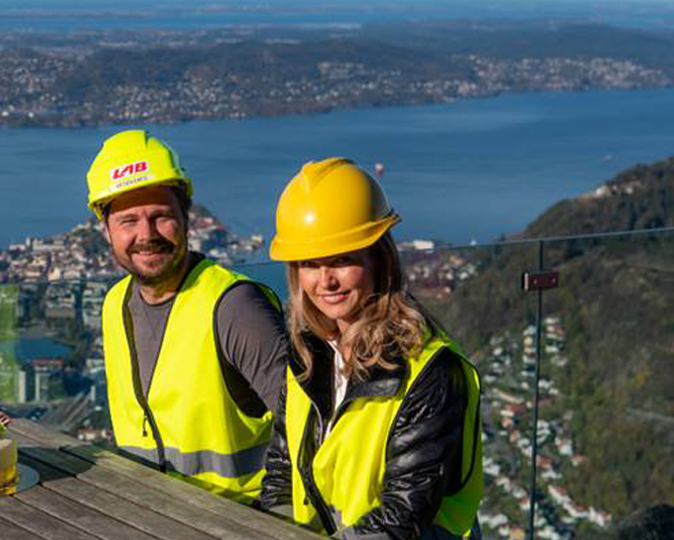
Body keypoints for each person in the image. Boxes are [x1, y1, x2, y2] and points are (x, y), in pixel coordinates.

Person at [258, 158, 483, 539]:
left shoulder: (428, 372)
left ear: (380, 260)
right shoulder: (309, 355)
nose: (325, 281)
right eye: (310, 264)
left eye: (343, 260)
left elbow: (402, 518)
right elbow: (282, 472)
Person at [86, 130, 289, 504]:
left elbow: (311, 428)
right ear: (106, 230)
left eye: (161, 217)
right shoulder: (114, 305)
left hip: (242, 521)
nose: (146, 235)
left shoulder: (233, 306)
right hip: (151, 515)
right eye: (128, 221)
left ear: (186, 218)